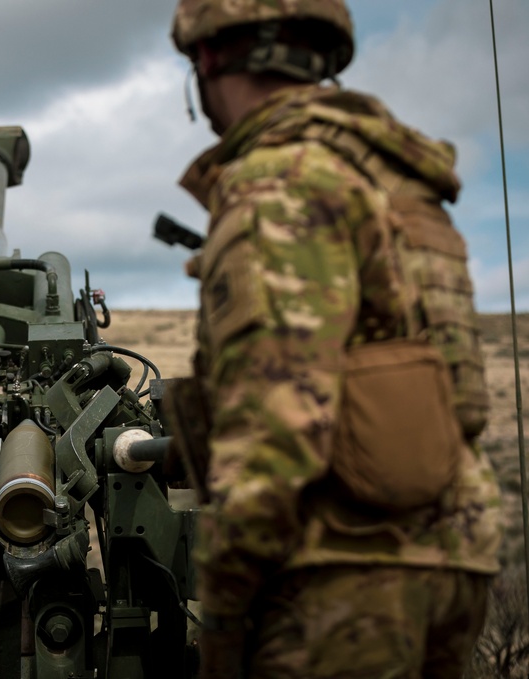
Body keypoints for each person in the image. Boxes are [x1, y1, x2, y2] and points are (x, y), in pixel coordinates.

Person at [167, 1, 502, 677]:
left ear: (206, 60)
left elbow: (275, 431)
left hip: (338, 575)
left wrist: (224, 611)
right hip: (453, 560)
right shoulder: (398, 182)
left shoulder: (278, 183)